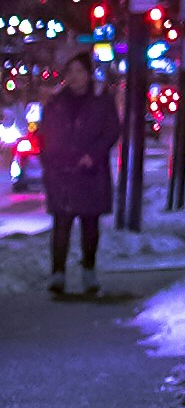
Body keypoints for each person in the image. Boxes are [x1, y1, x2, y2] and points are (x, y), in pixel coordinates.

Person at [33, 62, 118, 295]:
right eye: (70, 72)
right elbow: (45, 134)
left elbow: (111, 131)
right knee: (61, 225)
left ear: (88, 74)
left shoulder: (102, 100)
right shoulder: (56, 103)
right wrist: (50, 161)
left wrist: (93, 155)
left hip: (90, 173)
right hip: (62, 172)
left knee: (90, 225)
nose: (75, 77)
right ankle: (57, 273)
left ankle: (88, 270)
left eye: (79, 71)